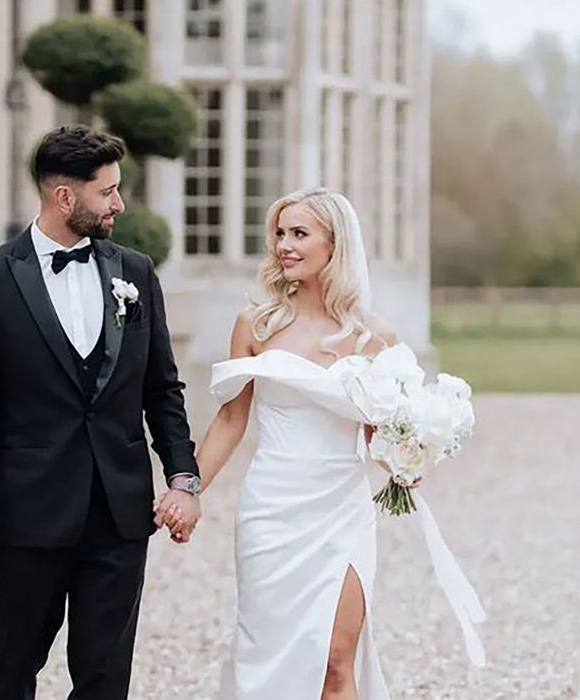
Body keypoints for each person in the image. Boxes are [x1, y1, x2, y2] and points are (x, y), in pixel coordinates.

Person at [154, 188, 485, 699]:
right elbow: (230, 421)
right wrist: (189, 489)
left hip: (341, 511)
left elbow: (381, 434)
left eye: (299, 234)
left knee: (335, 661)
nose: (284, 245)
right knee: (267, 655)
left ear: (336, 244)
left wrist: (407, 455)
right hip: (271, 510)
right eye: (280, 234)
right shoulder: (256, 324)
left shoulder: (374, 338)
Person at [0, 124, 201, 700]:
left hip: (120, 514)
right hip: (30, 514)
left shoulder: (136, 273)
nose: (119, 204)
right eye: (107, 192)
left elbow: (163, 390)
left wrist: (184, 477)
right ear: (64, 197)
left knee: (106, 677)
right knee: (12, 667)